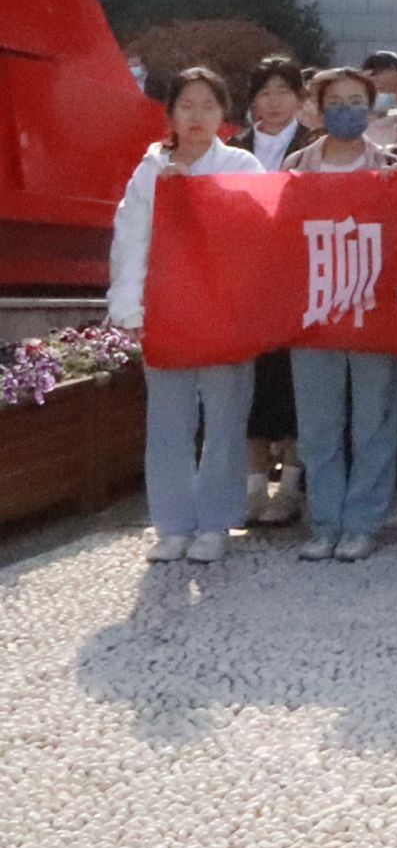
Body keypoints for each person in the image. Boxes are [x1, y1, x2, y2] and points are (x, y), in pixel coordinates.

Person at [107, 67, 268, 563]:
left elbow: (256, 230)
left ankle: (216, 522)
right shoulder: (150, 169)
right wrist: (129, 305)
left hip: (223, 310)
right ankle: (172, 524)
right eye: (187, 106)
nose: (197, 116)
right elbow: (130, 239)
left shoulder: (242, 165)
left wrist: (201, 193)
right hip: (166, 308)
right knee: (168, 422)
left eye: (208, 106)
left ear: (224, 115)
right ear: (171, 114)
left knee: (224, 420)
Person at [283, 66, 397, 562]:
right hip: (314, 309)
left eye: (357, 102)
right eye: (337, 102)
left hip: (373, 309)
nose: (347, 111)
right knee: (318, 426)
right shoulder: (296, 166)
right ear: (318, 107)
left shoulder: (390, 166)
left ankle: (363, 523)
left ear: (371, 109)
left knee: (374, 421)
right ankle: (325, 521)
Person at [232, 54, 316, 528]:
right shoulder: (232, 149)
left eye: (284, 91)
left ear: (300, 99)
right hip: (245, 286)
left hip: (301, 285)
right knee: (251, 389)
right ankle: (251, 488)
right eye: (265, 92)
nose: (274, 101)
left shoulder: (315, 147)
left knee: (294, 388)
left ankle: (289, 490)